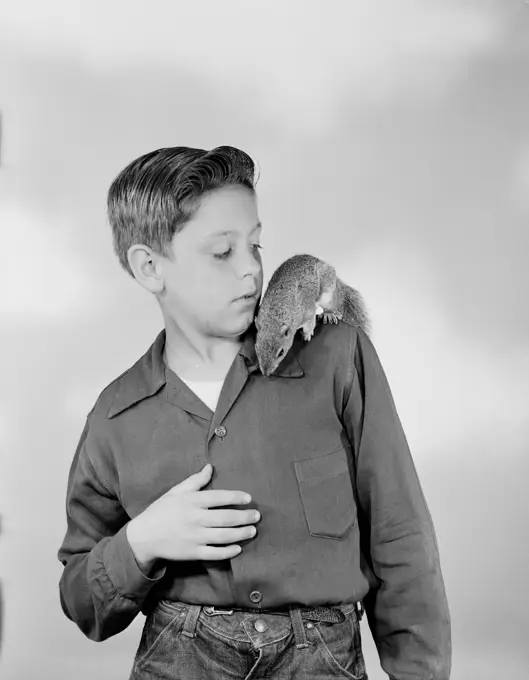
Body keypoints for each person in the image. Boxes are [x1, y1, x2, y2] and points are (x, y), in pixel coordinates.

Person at [57, 145, 451, 680]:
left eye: (256, 244)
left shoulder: (336, 356)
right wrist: (142, 541)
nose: (251, 269)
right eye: (222, 252)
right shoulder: (115, 417)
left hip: (324, 657)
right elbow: (82, 601)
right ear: (149, 267)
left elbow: (399, 532)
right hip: (179, 656)